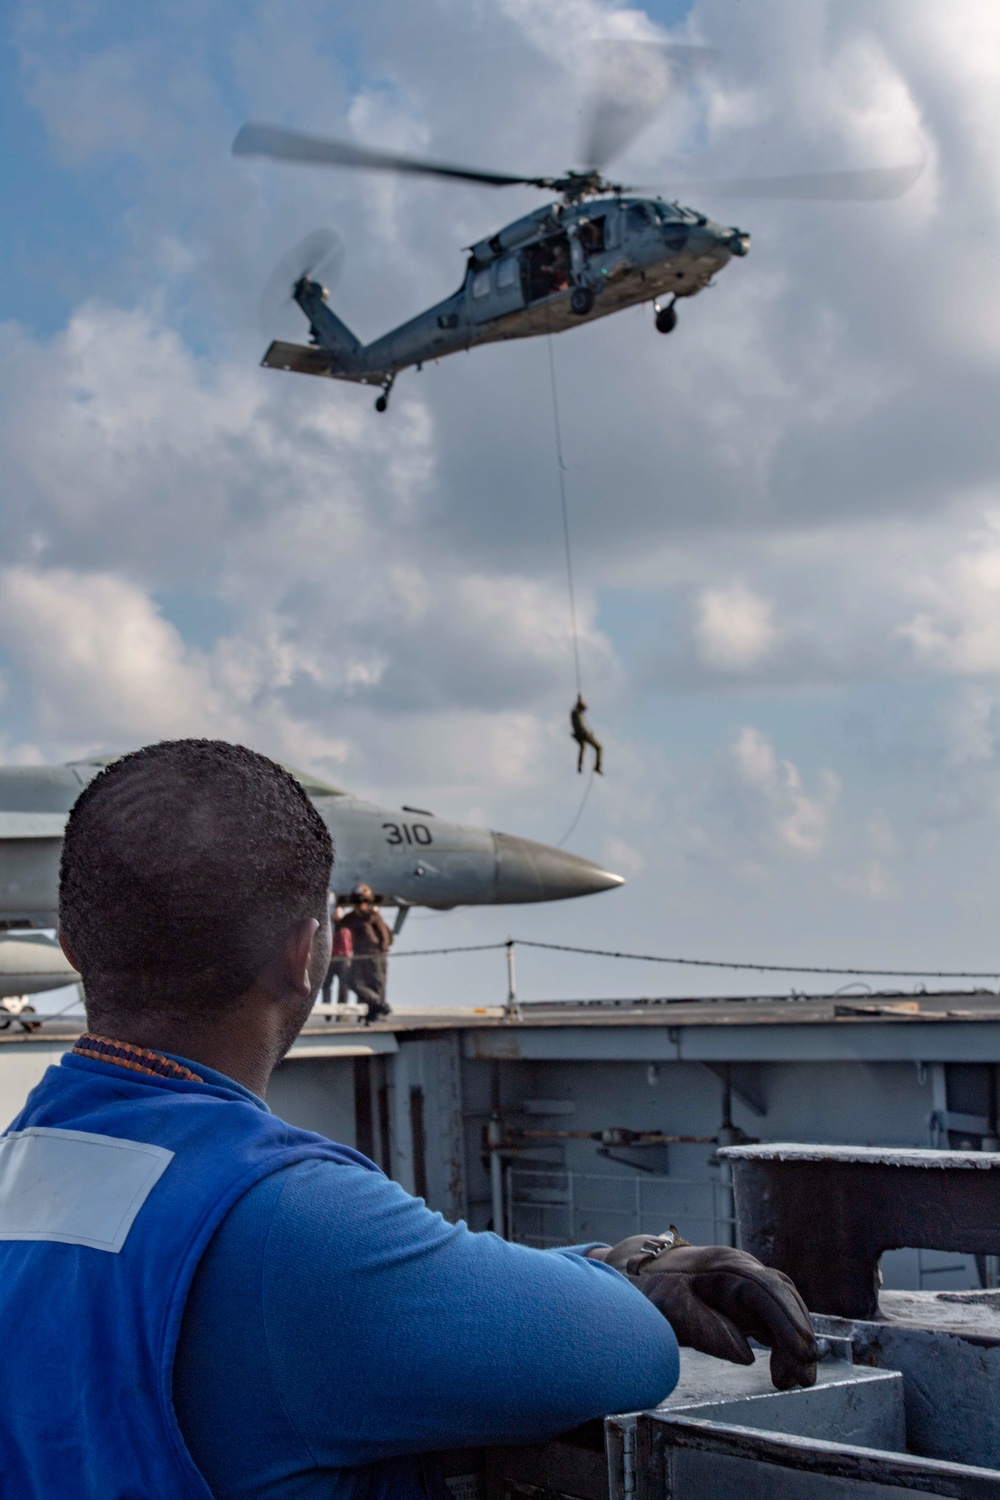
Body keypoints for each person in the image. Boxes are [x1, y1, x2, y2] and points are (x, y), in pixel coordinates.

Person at [0, 740, 817, 1500]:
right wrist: (632, 1269)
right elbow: (625, 1352)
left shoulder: (22, 1172)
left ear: (72, 946)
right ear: (309, 953)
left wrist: (592, 1263)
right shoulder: (292, 1224)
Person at [340, 882, 393, 1022]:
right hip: (360, 956)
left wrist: (381, 950)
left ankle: (376, 1012)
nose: (361, 904)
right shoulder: (350, 918)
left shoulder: (373, 916)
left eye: (364, 901)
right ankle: (377, 1004)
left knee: (377, 984)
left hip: (375, 956)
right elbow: (338, 929)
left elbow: (385, 936)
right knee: (352, 981)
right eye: (358, 901)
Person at [321, 902, 352, 1007]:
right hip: (330, 958)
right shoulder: (328, 925)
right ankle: (326, 1007)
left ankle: (342, 1010)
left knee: (344, 985)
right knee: (326, 984)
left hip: (344, 958)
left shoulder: (347, 926)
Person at [571, 692, 604, 774]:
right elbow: (577, 708)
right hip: (583, 734)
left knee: (582, 748)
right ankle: (597, 767)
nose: (583, 711)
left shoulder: (576, 713)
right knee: (599, 747)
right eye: (583, 709)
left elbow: (578, 706)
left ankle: (579, 766)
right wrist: (589, 734)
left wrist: (579, 699)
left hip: (579, 735)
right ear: (580, 708)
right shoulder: (575, 713)